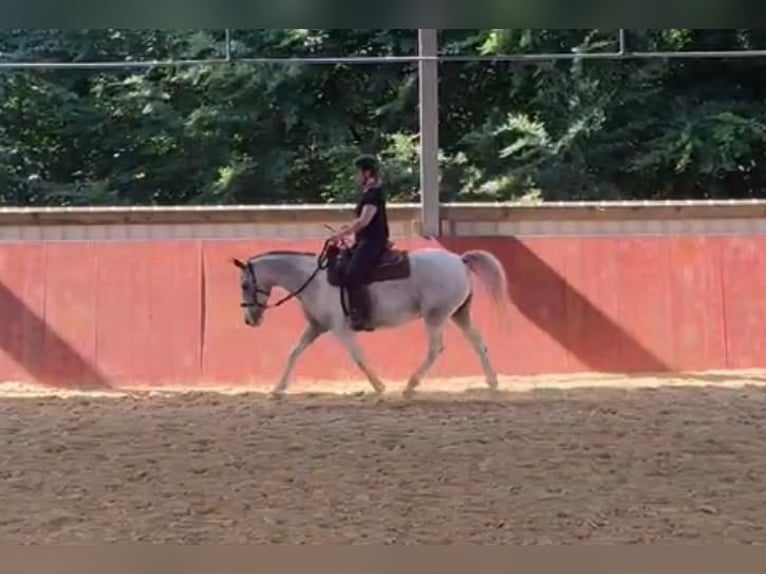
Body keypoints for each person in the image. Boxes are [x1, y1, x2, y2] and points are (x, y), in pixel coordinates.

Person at [327, 154, 390, 331]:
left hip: (373, 242)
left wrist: (341, 233)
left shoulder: (373, 194)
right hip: (365, 240)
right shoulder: (370, 193)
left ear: (367, 173)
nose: (356, 176)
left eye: (358, 172)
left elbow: (364, 221)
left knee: (352, 274)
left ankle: (362, 315)